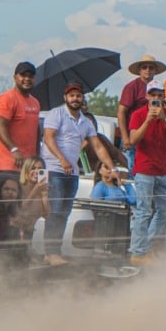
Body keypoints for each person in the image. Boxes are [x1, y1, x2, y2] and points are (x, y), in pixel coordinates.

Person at [40, 83, 117, 265]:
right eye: (72, 95)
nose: (75, 98)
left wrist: (112, 168)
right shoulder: (56, 114)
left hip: (71, 172)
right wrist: (62, 159)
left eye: (78, 95)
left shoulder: (85, 121)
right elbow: (48, 138)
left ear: (83, 99)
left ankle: (53, 252)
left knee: (64, 212)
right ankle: (51, 253)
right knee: (55, 210)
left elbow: (97, 145)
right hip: (53, 169)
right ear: (65, 97)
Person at [127, 80, 166, 265]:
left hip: (161, 169)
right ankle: (137, 252)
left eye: (159, 95)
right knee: (143, 211)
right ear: (147, 96)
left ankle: (145, 247)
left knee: (165, 211)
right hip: (144, 169)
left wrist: (163, 118)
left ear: (163, 96)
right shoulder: (138, 115)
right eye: (153, 95)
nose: (156, 98)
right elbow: (133, 139)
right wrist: (148, 120)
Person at [0, 61, 42, 178]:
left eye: (31, 76)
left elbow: (35, 128)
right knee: (10, 196)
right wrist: (14, 149)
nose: (27, 79)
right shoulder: (7, 98)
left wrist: (37, 155)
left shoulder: (35, 102)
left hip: (28, 165)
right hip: (8, 165)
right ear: (15, 78)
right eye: (23, 75)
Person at [117, 54, 166, 163]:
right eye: (144, 67)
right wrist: (125, 137)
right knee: (132, 167)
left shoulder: (159, 88)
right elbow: (121, 112)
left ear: (155, 71)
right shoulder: (131, 87)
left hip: (151, 137)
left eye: (151, 67)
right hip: (133, 134)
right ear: (139, 70)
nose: (147, 70)